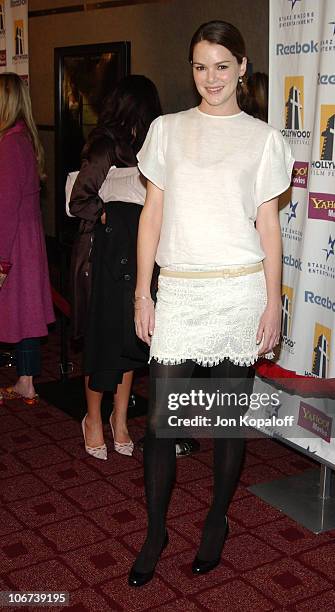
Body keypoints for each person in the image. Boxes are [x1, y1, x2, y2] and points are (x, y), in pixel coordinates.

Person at [129, 20, 294, 586]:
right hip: (179, 290)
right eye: (200, 66)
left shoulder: (264, 139)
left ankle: (216, 521)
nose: (211, 78)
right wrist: (141, 291)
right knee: (160, 425)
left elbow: (269, 228)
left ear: (243, 68)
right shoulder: (167, 130)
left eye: (223, 66)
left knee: (225, 423)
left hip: (239, 290)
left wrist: (273, 303)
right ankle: (155, 531)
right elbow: (151, 215)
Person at [69, 75, 162, 460]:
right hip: (102, 258)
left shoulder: (150, 146)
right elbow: (79, 199)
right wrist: (108, 215)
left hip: (139, 255)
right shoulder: (105, 144)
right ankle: (93, 418)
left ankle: (119, 418)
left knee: (131, 339)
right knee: (102, 340)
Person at [0, 72, 55, 405]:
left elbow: (4, 209)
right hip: (26, 242)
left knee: (21, 311)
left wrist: (2, 259)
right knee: (26, 312)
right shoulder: (23, 138)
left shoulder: (9, 144)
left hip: (13, 243)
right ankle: (26, 381)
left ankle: (26, 380)